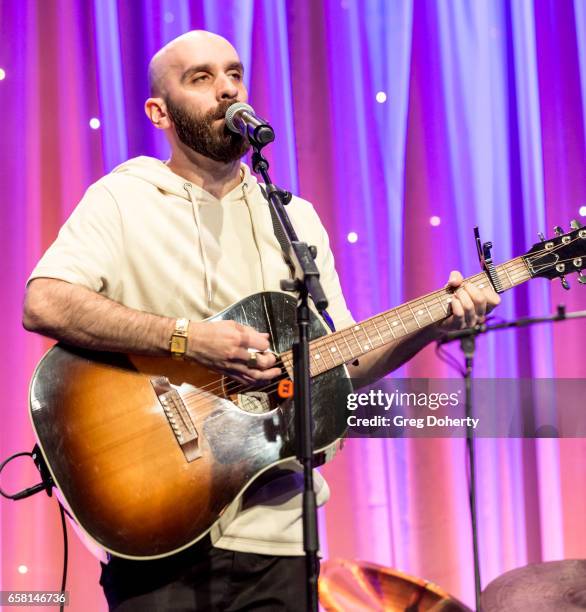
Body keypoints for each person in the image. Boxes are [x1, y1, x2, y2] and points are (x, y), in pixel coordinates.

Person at [23, 30, 500, 611]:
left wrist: (432, 324)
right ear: (159, 111)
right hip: (154, 522)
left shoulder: (294, 219)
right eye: (200, 79)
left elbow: (343, 363)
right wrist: (186, 339)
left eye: (234, 74)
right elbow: (44, 302)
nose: (226, 90)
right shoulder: (123, 199)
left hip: (280, 536)